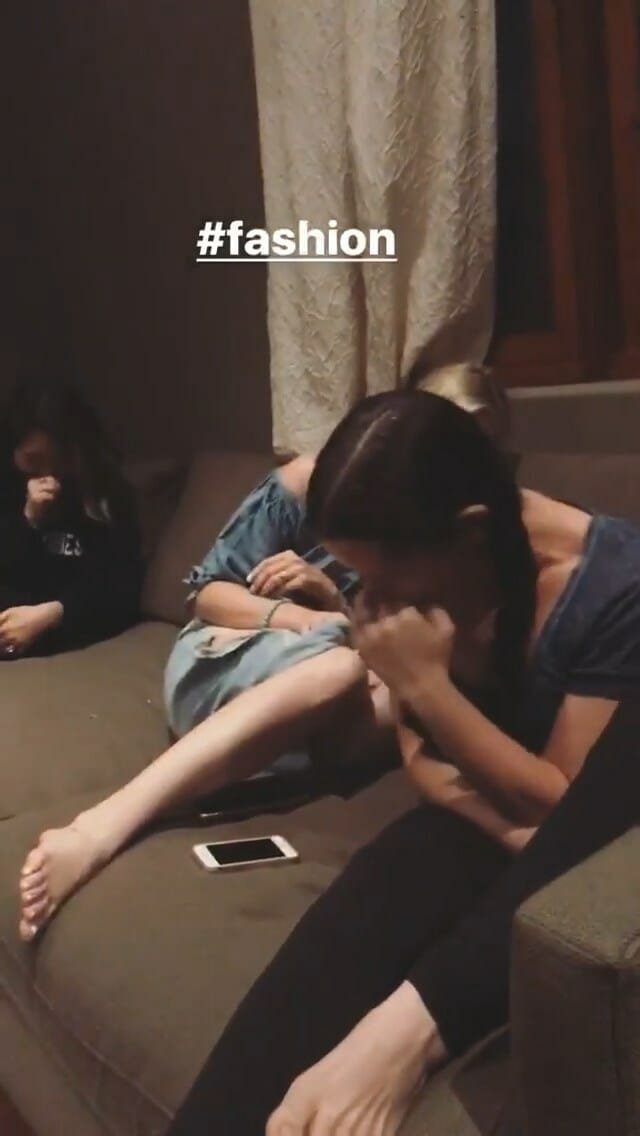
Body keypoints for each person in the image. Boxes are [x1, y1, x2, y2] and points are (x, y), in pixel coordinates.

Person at [165, 390, 640, 1136]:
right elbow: (426, 766)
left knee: (444, 878)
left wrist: (423, 684)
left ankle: (402, 1040)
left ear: (468, 532)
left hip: (551, 833)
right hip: (482, 821)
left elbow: (563, 808)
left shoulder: (613, 587)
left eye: (383, 579)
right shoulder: (439, 566)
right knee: (372, 898)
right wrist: (486, 804)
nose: (369, 605)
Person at [16, 368, 506, 940]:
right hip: (236, 651)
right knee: (341, 669)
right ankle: (102, 826)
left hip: (342, 684)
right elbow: (206, 595)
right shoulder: (307, 485)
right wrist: (308, 618)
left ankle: (246, 763)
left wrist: (334, 600)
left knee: (396, 700)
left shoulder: (466, 536)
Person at [0, 375, 141, 659]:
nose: (46, 472)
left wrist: (51, 614)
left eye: (53, 458)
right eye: (32, 459)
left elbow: (119, 586)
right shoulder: (10, 484)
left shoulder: (105, 493)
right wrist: (29, 519)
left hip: (64, 625)